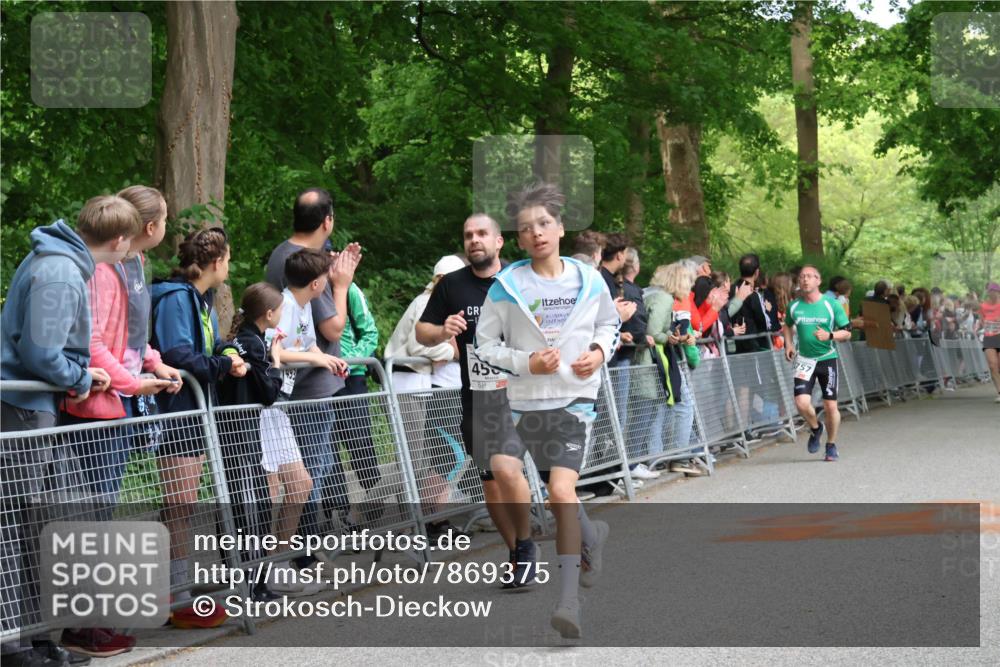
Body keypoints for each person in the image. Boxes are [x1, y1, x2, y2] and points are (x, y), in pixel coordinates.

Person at [476, 182, 616, 639]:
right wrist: (526, 362)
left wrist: (598, 351)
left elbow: (609, 323)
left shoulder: (589, 278)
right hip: (525, 403)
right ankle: (587, 534)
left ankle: (569, 603)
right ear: (517, 240)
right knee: (532, 483)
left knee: (559, 494)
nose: (536, 233)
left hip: (576, 398)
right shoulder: (506, 286)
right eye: (526, 228)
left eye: (544, 224)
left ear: (559, 228)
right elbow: (484, 346)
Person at [1, 198, 129, 667]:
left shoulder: (62, 262)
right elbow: (40, 352)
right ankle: (12, 645)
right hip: (23, 409)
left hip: (37, 406)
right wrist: (81, 378)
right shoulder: (59, 272)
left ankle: (34, 638)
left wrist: (77, 376)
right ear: (119, 241)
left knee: (44, 524)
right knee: (14, 526)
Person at [57, 191, 176, 659]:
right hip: (97, 405)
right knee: (93, 516)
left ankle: (92, 621)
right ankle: (81, 625)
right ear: (148, 229)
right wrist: (132, 383)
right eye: (165, 218)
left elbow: (131, 334)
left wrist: (153, 361)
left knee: (103, 514)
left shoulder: (133, 267)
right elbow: (92, 341)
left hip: (118, 400)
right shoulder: (101, 272)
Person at [417, 214, 537, 584]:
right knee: (489, 482)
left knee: (506, 468)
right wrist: (442, 330)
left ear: (499, 241)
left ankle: (528, 546)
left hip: (517, 395)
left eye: (482, 234)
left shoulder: (520, 282)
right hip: (478, 398)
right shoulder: (452, 285)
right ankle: (516, 551)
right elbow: (422, 332)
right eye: (468, 235)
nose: (474, 240)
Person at [150, 226, 246, 629]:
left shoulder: (200, 298)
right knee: (180, 505)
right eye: (227, 259)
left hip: (194, 410)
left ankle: (176, 590)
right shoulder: (176, 297)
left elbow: (206, 346)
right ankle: (175, 597)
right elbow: (179, 354)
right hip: (178, 409)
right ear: (215, 262)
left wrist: (225, 351)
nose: (229, 267)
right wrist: (225, 365)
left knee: (182, 505)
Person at [265, 188, 360, 565]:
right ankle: (300, 556)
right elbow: (333, 328)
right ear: (328, 221)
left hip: (298, 381)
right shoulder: (307, 264)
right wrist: (342, 283)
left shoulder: (279, 255)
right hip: (308, 386)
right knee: (309, 474)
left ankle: (295, 555)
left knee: (302, 473)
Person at [216, 283, 288, 601]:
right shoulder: (254, 345)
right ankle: (251, 586)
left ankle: (251, 583)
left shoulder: (241, 340)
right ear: (268, 314)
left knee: (245, 507)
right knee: (250, 510)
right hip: (241, 437)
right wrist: (275, 359)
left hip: (236, 436)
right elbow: (270, 393)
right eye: (280, 310)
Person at [385, 255, 467, 529]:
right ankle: (362, 517)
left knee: (416, 462)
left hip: (416, 385)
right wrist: (451, 351)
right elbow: (418, 348)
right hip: (406, 383)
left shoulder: (435, 303)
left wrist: (444, 351)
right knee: (410, 463)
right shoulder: (426, 303)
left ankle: (413, 522)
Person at [326, 265, 382, 524]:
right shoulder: (309, 288)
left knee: (360, 441)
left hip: (351, 376)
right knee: (327, 447)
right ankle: (337, 513)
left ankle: (373, 510)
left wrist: (351, 360)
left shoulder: (351, 290)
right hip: (320, 377)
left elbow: (370, 332)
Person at [783, 265, 851, 462]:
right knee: (801, 403)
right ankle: (815, 427)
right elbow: (786, 325)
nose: (805, 280)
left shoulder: (831, 305)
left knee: (830, 406)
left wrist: (829, 335)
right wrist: (788, 344)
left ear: (818, 281)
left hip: (827, 359)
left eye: (810, 276)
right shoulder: (794, 306)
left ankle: (831, 445)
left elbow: (847, 332)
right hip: (804, 360)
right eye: (802, 277)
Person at [642, 263, 704, 476]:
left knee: (658, 408)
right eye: (688, 283)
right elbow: (653, 331)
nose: (689, 288)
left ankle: (657, 457)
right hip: (660, 358)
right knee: (683, 404)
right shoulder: (664, 298)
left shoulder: (651, 293)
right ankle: (680, 456)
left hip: (653, 359)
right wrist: (670, 338)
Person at [980, 283, 1000, 402]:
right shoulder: (983, 306)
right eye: (989, 291)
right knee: (993, 365)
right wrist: (985, 324)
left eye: (993, 291)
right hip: (989, 337)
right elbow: (982, 320)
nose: (991, 293)